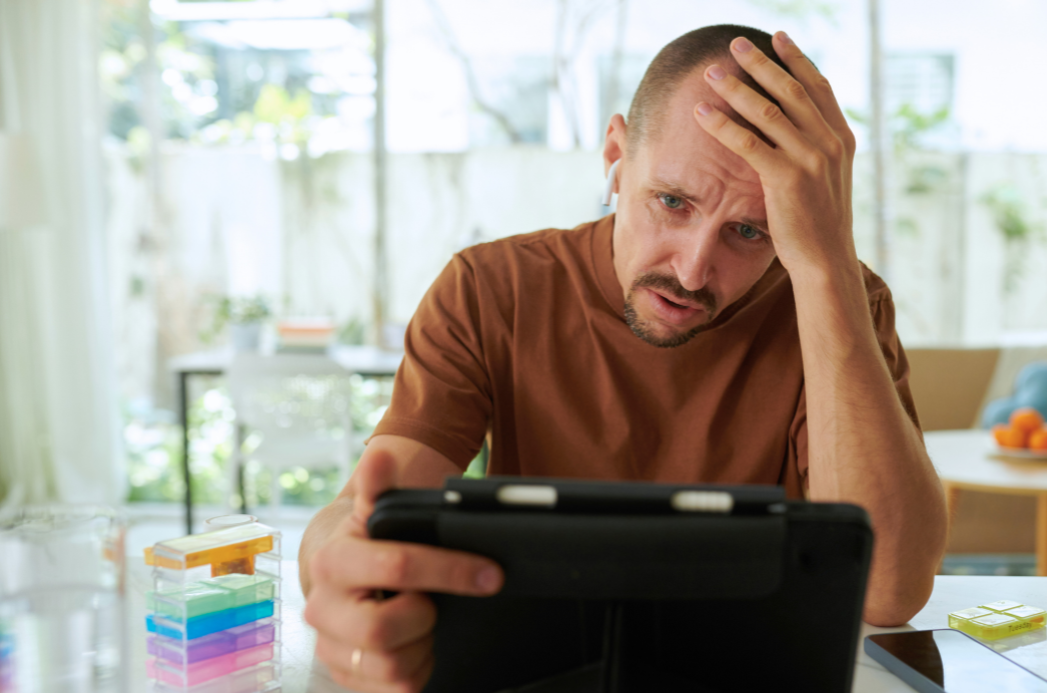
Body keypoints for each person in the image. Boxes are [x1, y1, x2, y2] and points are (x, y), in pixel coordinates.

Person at [300, 24, 947, 693]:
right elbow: (359, 516)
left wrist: (825, 263)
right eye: (672, 202)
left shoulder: (838, 297)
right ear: (615, 156)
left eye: (750, 231)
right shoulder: (494, 288)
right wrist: (336, 560)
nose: (694, 270)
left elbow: (890, 589)